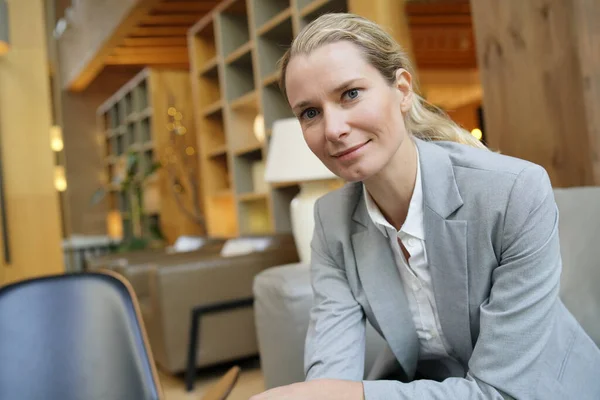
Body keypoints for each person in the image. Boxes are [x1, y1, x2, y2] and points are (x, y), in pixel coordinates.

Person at [250, 12, 600, 400]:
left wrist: (348, 395)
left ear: (401, 90)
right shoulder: (332, 221)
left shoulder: (515, 192)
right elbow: (329, 375)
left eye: (350, 94)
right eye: (310, 113)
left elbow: (501, 391)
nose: (333, 129)